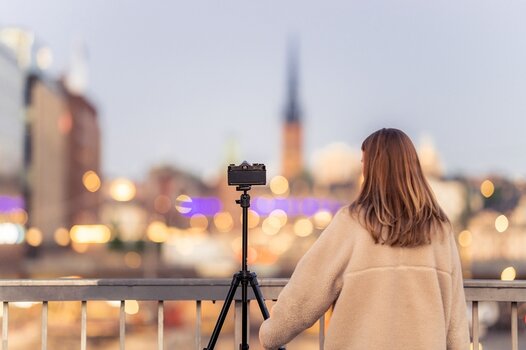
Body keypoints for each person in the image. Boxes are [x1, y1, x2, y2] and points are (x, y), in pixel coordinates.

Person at [259, 128, 470, 350]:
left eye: (364, 163)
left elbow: (304, 294)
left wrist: (271, 334)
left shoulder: (351, 223)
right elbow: (456, 322)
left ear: (372, 168)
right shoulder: (440, 230)